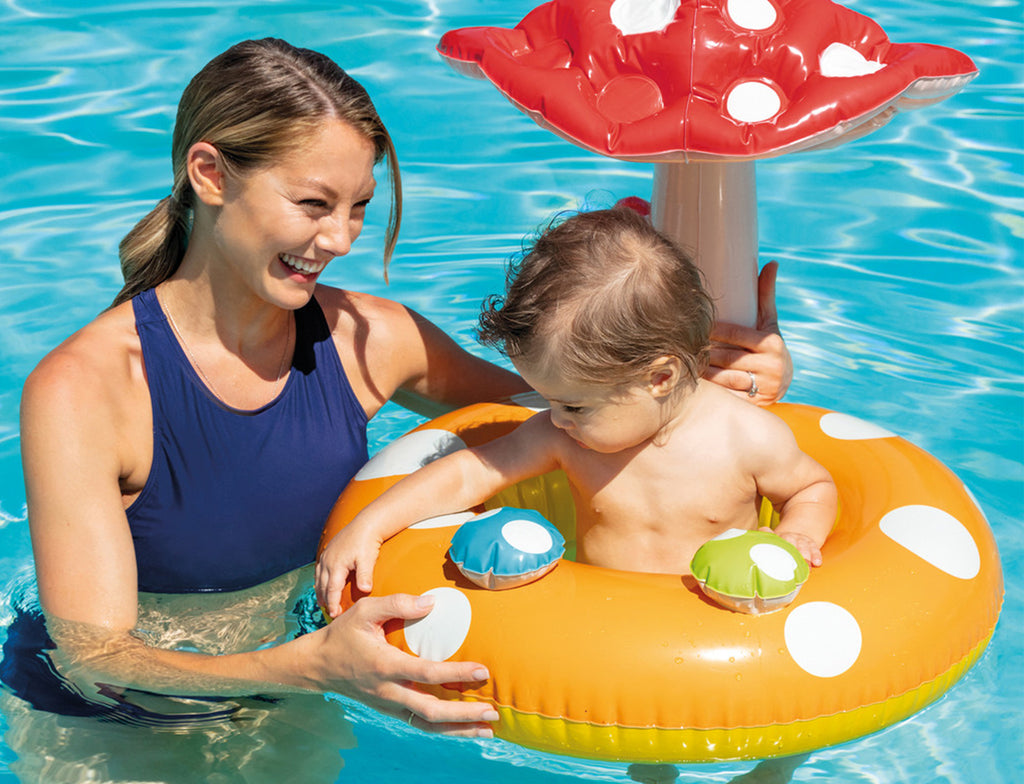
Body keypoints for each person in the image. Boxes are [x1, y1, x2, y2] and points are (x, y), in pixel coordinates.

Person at [16, 38, 794, 739]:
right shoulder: (85, 390)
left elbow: (589, 406)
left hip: (299, 692)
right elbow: (92, 658)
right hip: (114, 730)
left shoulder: (372, 340)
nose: (341, 239)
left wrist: (724, 386)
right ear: (210, 174)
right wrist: (307, 666)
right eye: (313, 205)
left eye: (358, 207)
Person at [316, 207, 836, 618]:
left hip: (716, 629)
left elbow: (811, 487)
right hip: (598, 623)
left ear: (659, 378)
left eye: (573, 404)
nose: (555, 417)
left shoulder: (746, 438)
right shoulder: (564, 436)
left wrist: (799, 534)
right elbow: (469, 474)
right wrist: (371, 525)